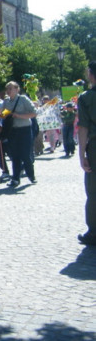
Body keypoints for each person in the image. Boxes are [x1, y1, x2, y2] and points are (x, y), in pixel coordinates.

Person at [1, 81, 37, 187]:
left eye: (10, 89)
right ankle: (15, 178)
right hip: (12, 130)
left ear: (17, 89)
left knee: (25, 155)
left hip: (24, 129)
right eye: (7, 89)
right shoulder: (6, 101)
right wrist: (1, 114)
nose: (8, 91)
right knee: (15, 155)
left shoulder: (23, 99)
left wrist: (19, 115)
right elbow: (5, 114)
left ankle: (31, 175)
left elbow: (34, 113)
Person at [77, 62, 96, 246]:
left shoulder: (86, 98)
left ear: (91, 75)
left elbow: (82, 127)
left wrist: (82, 154)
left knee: (93, 190)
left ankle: (94, 232)